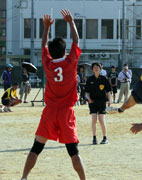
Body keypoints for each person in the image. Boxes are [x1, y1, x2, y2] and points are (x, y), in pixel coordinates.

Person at [20, 10, 86, 180]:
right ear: (64, 52)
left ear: (51, 51)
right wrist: (71, 22)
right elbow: (76, 40)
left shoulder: (48, 64)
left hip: (50, 112)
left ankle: (24, 177)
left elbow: (43, 45)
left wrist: (46, 27)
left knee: (36, 147)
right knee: (73, 152)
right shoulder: (71, 62)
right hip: (66, 112)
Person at [85, 62, 111, 145]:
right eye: (94, 67)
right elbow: (86, 92)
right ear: (92, 69)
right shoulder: (90, 79)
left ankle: (105, 138)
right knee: (93, 119)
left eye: (98, 67)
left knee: (101, 119)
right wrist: (89, 99)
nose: (96, 69)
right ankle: (94, 138)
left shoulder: (104, 79)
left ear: (100, 69)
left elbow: (108, 91)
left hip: (102, 101)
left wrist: (109, 100)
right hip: (92, 102)